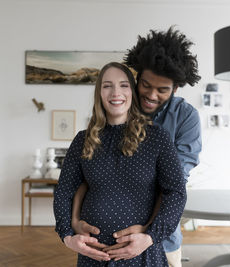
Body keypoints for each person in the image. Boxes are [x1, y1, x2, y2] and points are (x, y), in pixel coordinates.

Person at [72, 27, 202, 267]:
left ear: (176, 88)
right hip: (102, 243)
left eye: (162, 90)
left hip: (161, 241)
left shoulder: (186, 117)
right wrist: (75, 221)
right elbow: (87, 176)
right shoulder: (119, 106)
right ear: (136, 77)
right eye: (145, 85)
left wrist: (148, 232)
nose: (151, 95)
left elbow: (173, 185)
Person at [53, 62, 187, 266]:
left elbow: (176, 192)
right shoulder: (82, 140)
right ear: (99, 93)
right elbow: (64, 191)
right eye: (107, 86)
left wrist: (150, 236)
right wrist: (68, 236)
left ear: (132, 92)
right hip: (94, 255)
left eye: (124, 85)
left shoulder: (157, 138)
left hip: (142, 253)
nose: (116, 92)